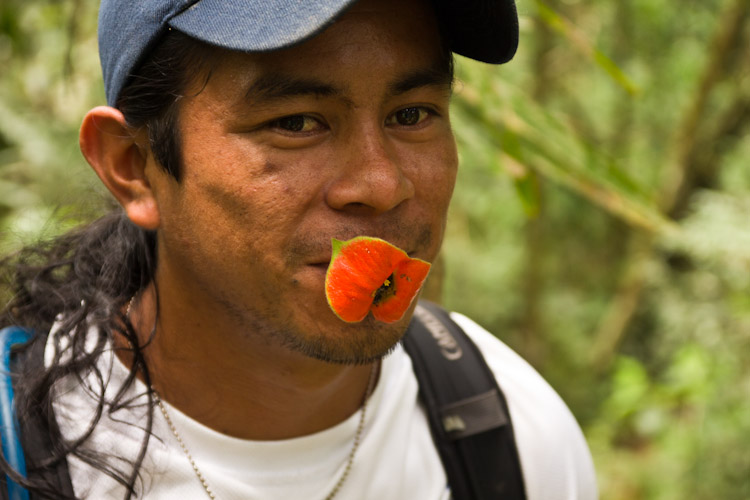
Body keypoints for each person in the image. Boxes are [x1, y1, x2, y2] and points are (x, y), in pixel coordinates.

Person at [0, 0, 598, 498]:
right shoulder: (23, 447)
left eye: (411, 114)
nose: (382, 185)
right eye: (296, 123)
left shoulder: (511, 435)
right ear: (132, 165)